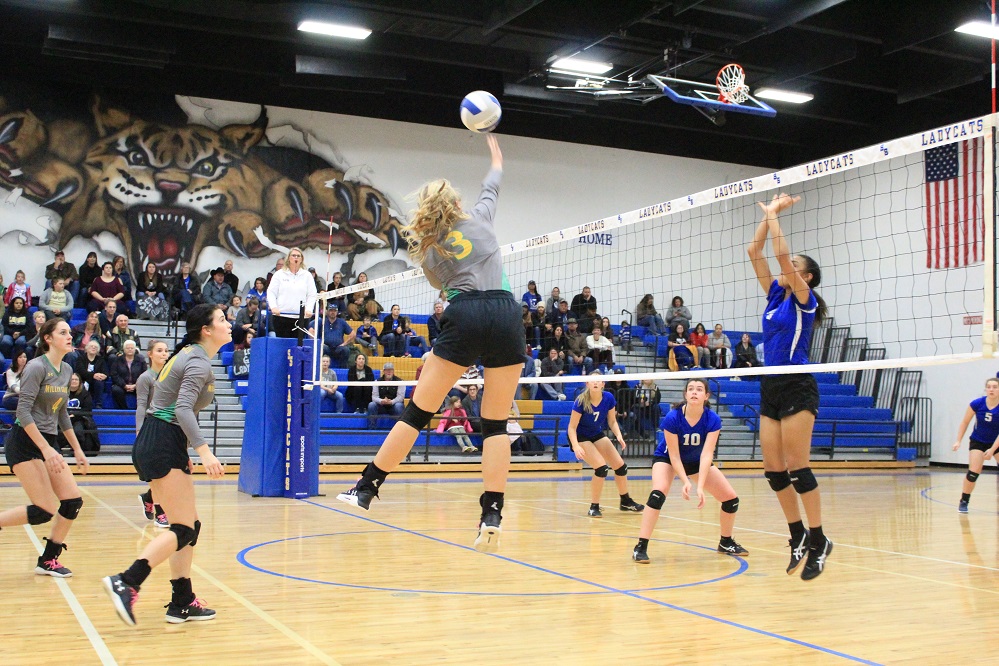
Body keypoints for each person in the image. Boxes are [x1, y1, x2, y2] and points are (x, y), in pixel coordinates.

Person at [336, 135, 524, 553]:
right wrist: (495, 158)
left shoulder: (430, 252)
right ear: (456, 204)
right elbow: (492, 186)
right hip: (507, 313)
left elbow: (441, 286)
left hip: (466, 313)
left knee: (418, 411)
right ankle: (492, 511)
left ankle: (366, 488)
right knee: (495, 424)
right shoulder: (480, 219)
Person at [103, 303, 229, 626]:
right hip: (162, 439)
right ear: (206, 329)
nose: (229, 324)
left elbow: (169, 404)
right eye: (222, 320)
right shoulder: (197, 361)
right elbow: (183, 409)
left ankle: (182, 601)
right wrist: (205, 450)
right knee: (184, 528)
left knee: (189, 526)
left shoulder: (186, 355)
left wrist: (182, 445)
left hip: (161, 439)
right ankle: (127, 580)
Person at [746, 192, 830, 580]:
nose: (788, 265)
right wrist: (767, 216)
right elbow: (754, 250)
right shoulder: (775, 295)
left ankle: (819, 538)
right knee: (774, 471)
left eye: (796, 265)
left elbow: (781, 256)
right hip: (771, 386)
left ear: (805, 276)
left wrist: (776, 214)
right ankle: (796, 533)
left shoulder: (804, 299)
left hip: (797, 384)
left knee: (798, 467)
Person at [0, 318, 89, 577]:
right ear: (48, 338)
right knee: (43, 510)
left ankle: (48, 560)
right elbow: (23, 412)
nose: (70, 336)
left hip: (48, 442)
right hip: (26, 442)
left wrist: (77, 449)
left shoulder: (66, 369)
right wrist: (47, 449)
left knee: (72, 501)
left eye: (70, 332)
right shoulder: (36, 367)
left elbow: (61, 413)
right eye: (63, 332)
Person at [632, 378, 747, 563]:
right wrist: (686, 481)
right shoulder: (673, 417)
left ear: (706, 396)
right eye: (691, 389)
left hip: (695, 460)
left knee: (731, 499)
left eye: (699, 389)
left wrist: (699, 486)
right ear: (685, 394)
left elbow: (706, 455)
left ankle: (725, 542)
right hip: (668, 459)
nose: (694, 392)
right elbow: (675, 456)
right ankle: (641, 546)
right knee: (658, 493)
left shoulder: (713, 420)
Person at [567, 372, 644, 517]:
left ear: (603, 384)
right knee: (601, 468)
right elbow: (571, 427)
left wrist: (619, 435)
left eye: (599, 380)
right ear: (587, 384)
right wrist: (576, 446)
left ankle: (625, 501)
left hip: (596, 433)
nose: (595, 383)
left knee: (621, 467)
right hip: (580, 436)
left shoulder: (608, 398)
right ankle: (593, 506)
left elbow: (612, 421)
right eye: (592, 381)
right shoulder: (581, 401)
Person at [136, 340, 171, 529]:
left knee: (166, 473)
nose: (164, 354)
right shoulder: (145, 378)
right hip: (151, 426)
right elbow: (141, 405)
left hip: (168, 427)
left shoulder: (172, 376)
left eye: (166, 350)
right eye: (159, 350)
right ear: (150, 354)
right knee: (158, 474)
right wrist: (139, 431)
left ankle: (148, 497)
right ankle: (161, 513)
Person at [951, 378, 999, 513]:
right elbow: (965, 422)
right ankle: (964, 501)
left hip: (996, 442)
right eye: (989, 387)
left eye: (995, 387)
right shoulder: (977, 404)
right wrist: (958, 440)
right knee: (973, 473)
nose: (991, 389)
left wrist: (992, 450)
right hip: (978, 441)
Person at [266, 248, 316, 339]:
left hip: (301, 318)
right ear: (288, 258)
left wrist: (309, 309)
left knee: (297, 347)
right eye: (293, 255)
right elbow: (271, 292)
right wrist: (273, 307)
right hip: (281, 316)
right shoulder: (279, 274)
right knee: (283, 346)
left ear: (301, 259)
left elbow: (312, 294)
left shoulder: (307, 275)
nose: (296, 258)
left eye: (298, 256)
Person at [110, 340, 147, 409]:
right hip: (122, 385)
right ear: (124, 349)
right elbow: (114, 374)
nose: (130, 349)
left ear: (135, 349)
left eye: (132, 348)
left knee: (144, 389)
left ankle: (139, 409)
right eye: (127, 348)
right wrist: (124, 385)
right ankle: (124, 409)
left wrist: (136, 385)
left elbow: (144, 374)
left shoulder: (141, 360)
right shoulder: (117, 360)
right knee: (116, 389)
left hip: (137, 384)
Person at [366, 362, 404, 426]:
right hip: (381, 406)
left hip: (393, 406)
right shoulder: (377, 382)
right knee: (371, 405)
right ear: (383, 371)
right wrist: (381, 401)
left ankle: (399, 429)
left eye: (391, 370)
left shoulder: (400, 382)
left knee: (399, 406)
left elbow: (400, 397)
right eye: (387, 370)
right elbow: (374, 397)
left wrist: (391, 402)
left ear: (393, 371)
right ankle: (371, 429)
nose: (389, 371)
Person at [74, 340, 108, 408]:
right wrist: (93, 375)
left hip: (95, 382)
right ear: (86, 349)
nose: (93, 348)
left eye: (95, 347)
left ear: (98, 350)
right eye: (91, 346)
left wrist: (104, 376)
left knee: (99, 383)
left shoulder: (101, 360)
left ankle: (99, 404)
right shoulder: (81, 358)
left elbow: (105, 372)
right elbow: (81, 371)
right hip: (83, 379)